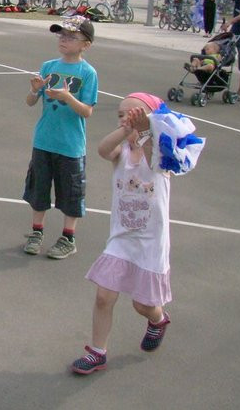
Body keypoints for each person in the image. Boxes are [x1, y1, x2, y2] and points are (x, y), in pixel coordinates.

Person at [71, 93, 205, 375]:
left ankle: (157, 319)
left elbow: (154, 157)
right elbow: (102, 149)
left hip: (149, 242)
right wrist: (126, 129)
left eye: (133, 114)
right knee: (103, 297)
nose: (125, 118)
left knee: (143, 304)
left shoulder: (159, 154)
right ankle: (97, 352)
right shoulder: (120, 153)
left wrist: (145, 130)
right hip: (121, 238)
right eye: (121, 114)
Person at [22, 16, 98, 259]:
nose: (64, 40)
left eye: (71, 36)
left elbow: (86, 111)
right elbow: (31, 102)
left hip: (70, 145)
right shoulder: (48, 66)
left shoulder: (88, 73)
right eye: (61, 35)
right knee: (39, 189)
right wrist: (34, 90)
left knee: (70, 193)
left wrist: (68, 98)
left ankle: (68, 237)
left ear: (85, 44)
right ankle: (36, 231)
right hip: (44, 140)